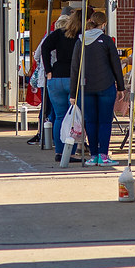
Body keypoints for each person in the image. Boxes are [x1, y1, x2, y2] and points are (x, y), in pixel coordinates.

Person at [69, 11, 126, 167]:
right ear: (104, 24)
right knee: (105, 122)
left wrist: (73, 92)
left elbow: (75, 69)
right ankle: (103, 155)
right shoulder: (106, 41)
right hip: (106, 86)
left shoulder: (80, 41)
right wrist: (121, 86)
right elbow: (116, 64)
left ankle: (93, 155)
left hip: (85, 88)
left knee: (90, 122)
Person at [27, 9, 72, 145]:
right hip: (61, 76)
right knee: (61, 111)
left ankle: (44, 136)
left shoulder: (48, 37)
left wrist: (47, 68)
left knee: (47, 109)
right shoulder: (69, 39)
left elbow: (37, 55)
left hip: (47, 78)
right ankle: (55, 137)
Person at [41, 13, 81, 162]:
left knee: (59, 116)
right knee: (74, 117)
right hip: (73, 78)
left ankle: (59, 152)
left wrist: (48, 70)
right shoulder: (82, 36)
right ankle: (70, 152)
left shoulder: (59, 33)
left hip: (56, 77)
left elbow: (45, 47)